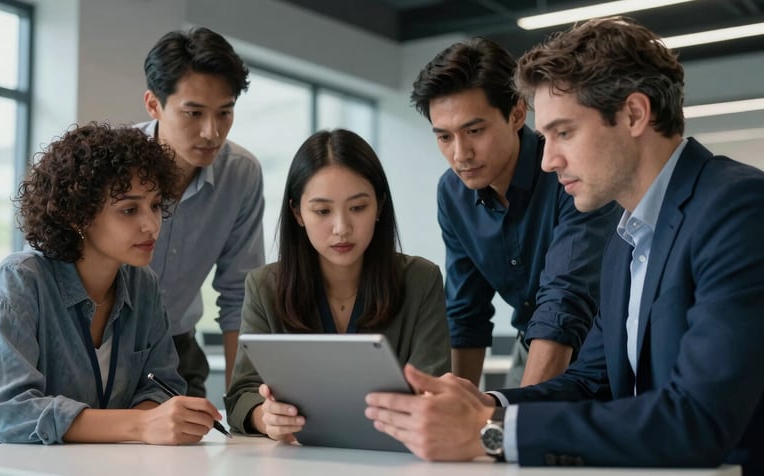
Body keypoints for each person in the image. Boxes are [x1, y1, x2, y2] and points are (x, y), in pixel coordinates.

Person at [365, 17, 764, 474]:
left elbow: (697, 420)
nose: (549, 160)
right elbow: (589, 381)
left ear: (634, 114)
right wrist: (483, 404)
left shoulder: (737, 208)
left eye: (564, 132)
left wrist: (488, 435)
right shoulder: (626, 240)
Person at [410, 37, 621, 388]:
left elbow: (564, 303)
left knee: (519, 432)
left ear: (517, 114)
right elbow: (466, 313)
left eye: (474, 131)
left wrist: (514, 421)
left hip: (606, 351)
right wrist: (458, 412)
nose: (460, 154)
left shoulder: (567, 172)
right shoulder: (453, 193)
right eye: (444, 137)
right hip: (531, 347)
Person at [0, 123, 223, 444]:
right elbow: (8, 413)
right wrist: (141, 426)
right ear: (78, 215)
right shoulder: (20, 280)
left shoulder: (144, 285)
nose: (151, 225)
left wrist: (154, 421)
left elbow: (161, 386)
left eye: (156, 205)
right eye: (129, 210)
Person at [225, 129, 451, 441]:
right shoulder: (265, 286)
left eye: (358, 208)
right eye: (322, 211)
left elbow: (434, 387)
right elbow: (242, 395)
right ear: (297, 212)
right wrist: (265, 417)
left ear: (379, 207)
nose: (342, 228)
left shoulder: (420, 280)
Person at [138, 27, 265, 396]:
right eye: (193, 113)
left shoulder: (241, 174)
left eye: (225, 113)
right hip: (99, 345)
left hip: (178, 347)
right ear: (153, 104)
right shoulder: (112, 164)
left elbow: (239, 293)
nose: (211, 132)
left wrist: (243, 405)